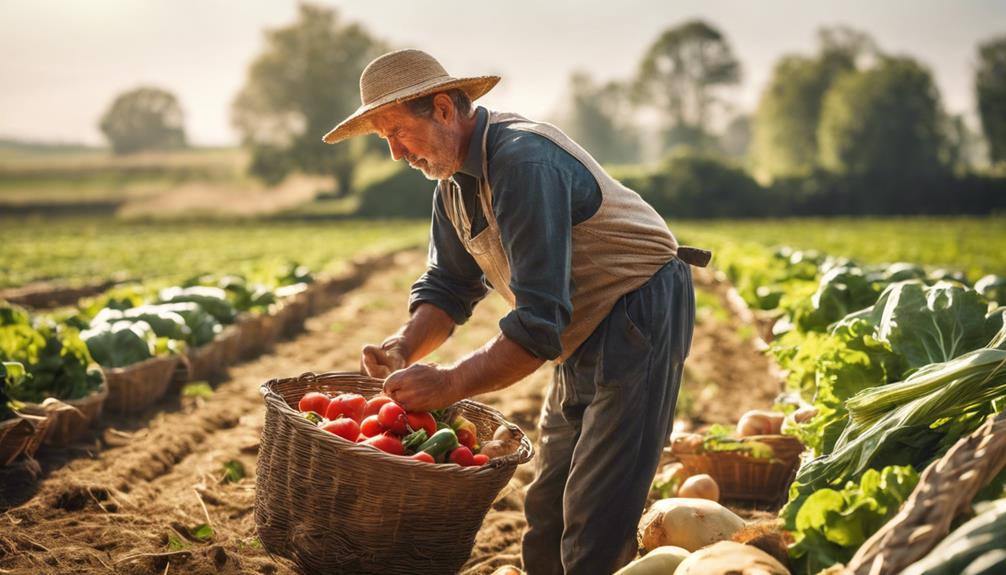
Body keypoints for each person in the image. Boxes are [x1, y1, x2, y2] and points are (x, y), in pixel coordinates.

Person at [323, 48, 700, 575]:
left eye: (397, 131)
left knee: (596, 514)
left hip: (640, 308)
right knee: (547, 507)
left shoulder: (523, 162)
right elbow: (449, 286)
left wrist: (449, 383)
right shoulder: (452, 183)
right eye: (382, 138)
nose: (394, 153)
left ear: (444, 109)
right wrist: (404, 345)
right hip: (582, 326)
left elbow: (538, 326)